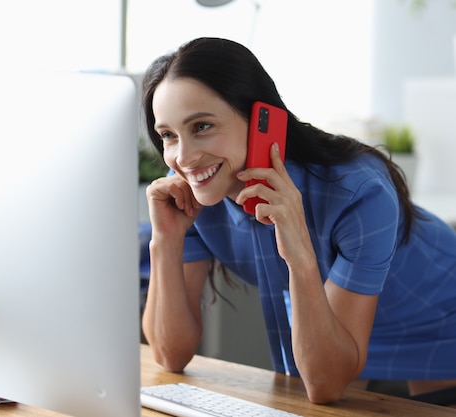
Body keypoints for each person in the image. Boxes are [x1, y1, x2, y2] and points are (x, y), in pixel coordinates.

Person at [140, 37, 456, 405]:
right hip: (336, 321)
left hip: (437, 313)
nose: (185, 157)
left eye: (202, 126)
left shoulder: (357, 191)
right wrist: (165, 240)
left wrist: (300, 252)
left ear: (263, 120)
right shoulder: (189, 192)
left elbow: (325, 384)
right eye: (168, 135)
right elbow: (169, 354)